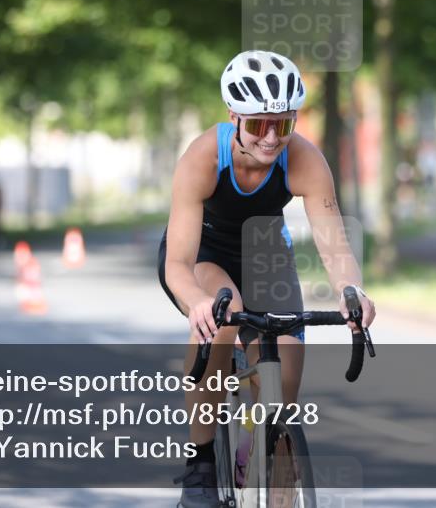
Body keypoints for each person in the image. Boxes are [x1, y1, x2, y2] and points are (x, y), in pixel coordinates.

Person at [157, 50, 376, 507]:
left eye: (284, 123)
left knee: (283, 383)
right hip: (203, 256)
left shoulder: (304, 158)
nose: (272, 137)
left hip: (265, 256)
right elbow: (177, 262)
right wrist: (197, 302)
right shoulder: (203, 157)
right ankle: (200, 464)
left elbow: (335, 245)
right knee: (225, 316)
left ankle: (255, 452)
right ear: (234, 116)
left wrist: (351, 291)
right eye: (259, 124)